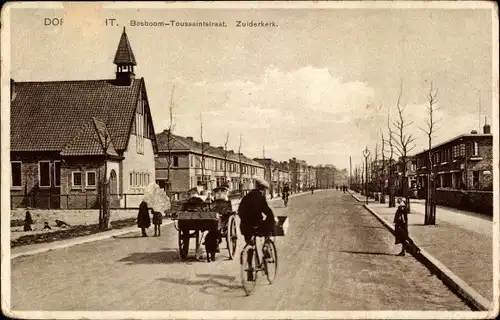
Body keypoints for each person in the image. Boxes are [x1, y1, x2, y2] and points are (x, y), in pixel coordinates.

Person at [238, 178, 276, 281]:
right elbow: (267, 211)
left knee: (250, 243)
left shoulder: (246, 197)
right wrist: (272, 219)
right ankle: (266, 247)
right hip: (256, 225)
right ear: (263, 189)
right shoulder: (261, 197)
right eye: (265, 190)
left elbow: (240, 211)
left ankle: (250, 267)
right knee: (269, 227)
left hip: (245, 227)